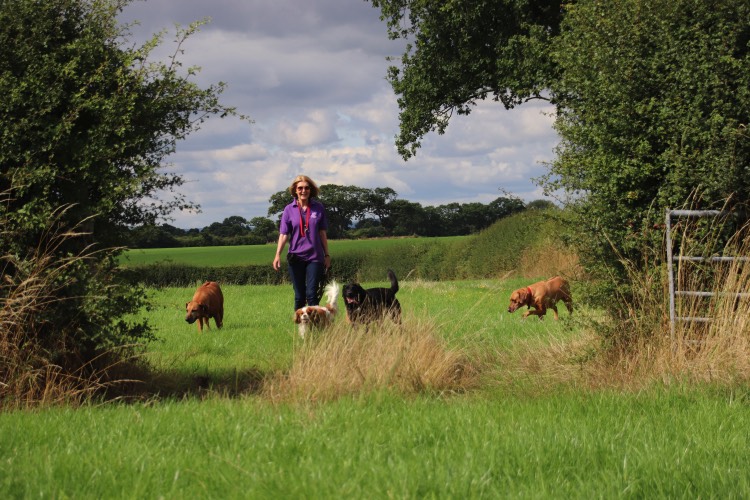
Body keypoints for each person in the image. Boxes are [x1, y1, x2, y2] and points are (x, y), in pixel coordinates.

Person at [273, 175, 331, 310]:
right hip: (295, 257)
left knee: (312, 294)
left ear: (310, 190)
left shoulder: (318, 207)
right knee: (299, 296)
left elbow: (322, 233)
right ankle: (300, 328)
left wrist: (327, 255)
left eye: (306, 188)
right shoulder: (289, 209)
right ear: (295, 190)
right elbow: (283, 234)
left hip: (315, 257)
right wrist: (277, 255)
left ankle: (316, 327)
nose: (303, 191)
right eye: (300, 188)